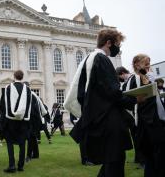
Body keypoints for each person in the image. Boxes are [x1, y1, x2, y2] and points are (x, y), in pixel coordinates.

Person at [65, 29, 143, 177]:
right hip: (108, 120)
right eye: (117, 44)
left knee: (110, 162)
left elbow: (84, 93)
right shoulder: (101, 59)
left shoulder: (90, 58)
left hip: (99, 118)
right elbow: (112, 92)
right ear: (108, 43)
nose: (118, 48)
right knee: (115, 162)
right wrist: (134, 99)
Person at [124, 54, 165, 177]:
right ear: (137, 64)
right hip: (149, 123)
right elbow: (131, 100)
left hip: (154, 120)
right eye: (146, 63)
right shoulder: (136, 79)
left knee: (153, 158)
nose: (148, 66)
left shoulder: (146, 77)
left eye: (149, 63)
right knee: (156, 156)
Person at [0, 70, 32, 173]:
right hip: (23, 120)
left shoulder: (8, 87)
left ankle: (12, 165)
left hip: (10, 120)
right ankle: (21, 166)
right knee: (22, 143)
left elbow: (3, 105)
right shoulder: (27, 89)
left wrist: (3, 120)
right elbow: (29, 105)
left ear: (14, 76)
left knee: (9, 143)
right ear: (22, 77)